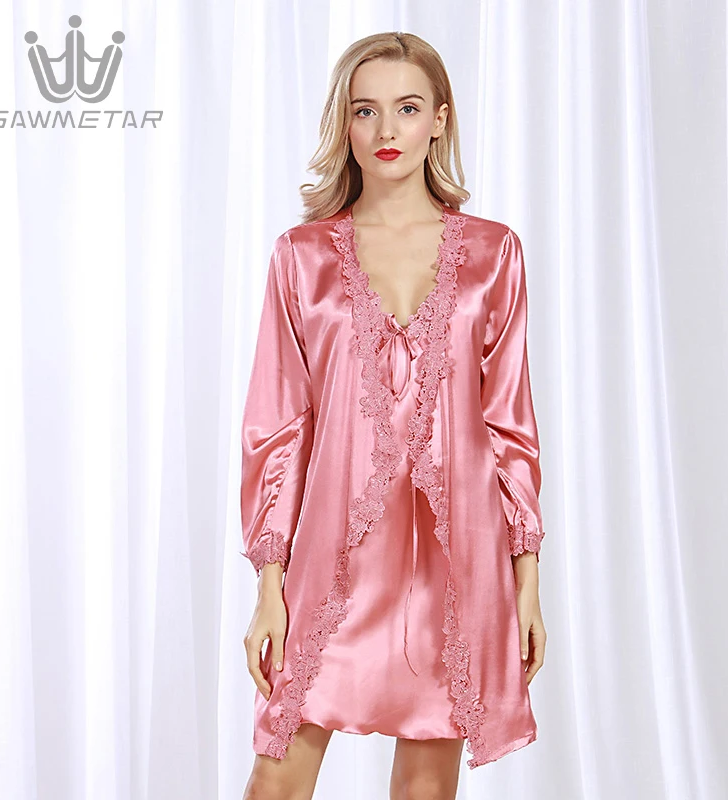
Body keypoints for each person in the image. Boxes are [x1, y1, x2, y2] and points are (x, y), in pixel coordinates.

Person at [240, 31, 547, 800]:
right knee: (276, 780)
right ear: (344, 124)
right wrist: (270, 584)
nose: (386, 131)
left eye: (407, 109)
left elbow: (510, 427)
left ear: (440, 119)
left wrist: (526, 579)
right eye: (365, 110)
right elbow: (280, 428)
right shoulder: (302, 256)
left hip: (459, 557)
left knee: (425, 789)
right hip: (333, 555)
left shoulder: (495, 255)